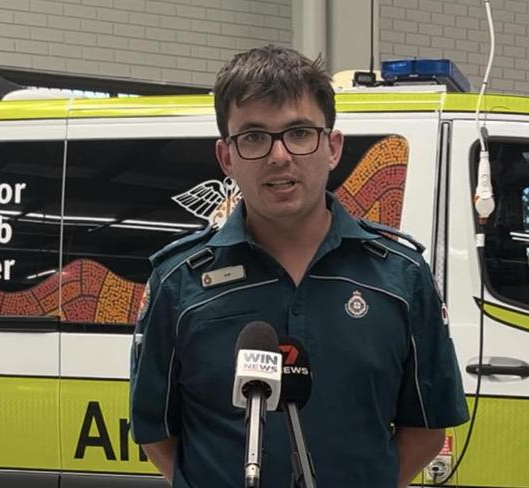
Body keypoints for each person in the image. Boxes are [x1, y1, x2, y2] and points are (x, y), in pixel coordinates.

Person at [129, 45, 469, 488]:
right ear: (226, 158)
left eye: (299, 133)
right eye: (253, 137)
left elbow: (426, 429)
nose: (278, 156)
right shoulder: (179, 283)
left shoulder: (401, 279)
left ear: (332, 147)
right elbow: (156, 432)